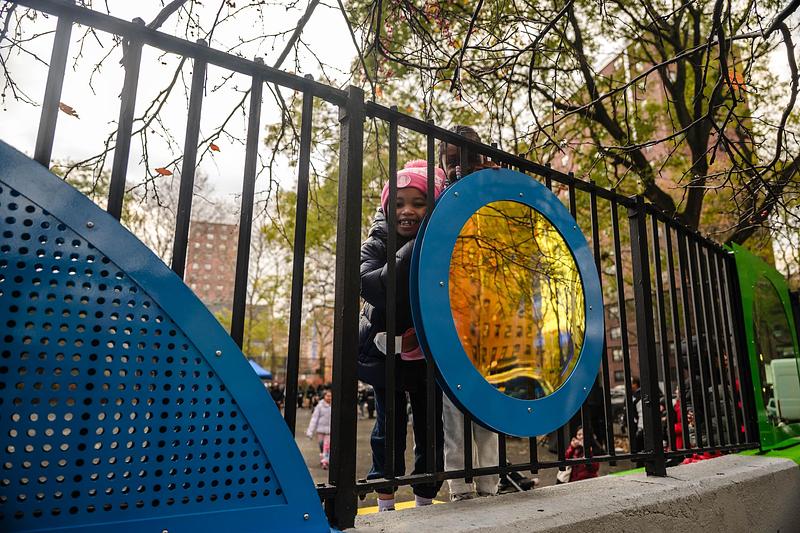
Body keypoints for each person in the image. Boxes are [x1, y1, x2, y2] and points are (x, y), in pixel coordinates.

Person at [358, 159, 446, 512]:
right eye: (398, 203)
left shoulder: (445, 242)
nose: (407, 211)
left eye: (418, 203)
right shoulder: (377, 241)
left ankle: (426, 495)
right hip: (385, 353)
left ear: (433, 206)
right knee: (387, 426)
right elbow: (372, 286)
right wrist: (416, 246)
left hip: (429, 352)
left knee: (430, 428)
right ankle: (385, 496)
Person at [438, 125, 502, 501]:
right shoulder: (443, 199)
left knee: (487, 409)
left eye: (467, 159)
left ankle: (489, 484)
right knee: (453, 413)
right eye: (449, 161)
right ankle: (459, 486)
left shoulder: (496, 193)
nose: (458, 168)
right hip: (454, 320)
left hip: (491, 318)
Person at [306, 389, 332, 469]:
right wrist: (310, 431)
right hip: (320, 430)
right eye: (327, 396)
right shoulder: (319, 406)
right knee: (321, 445)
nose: (329, 397)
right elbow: (314, 419)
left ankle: (325, 461)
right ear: (324, 396)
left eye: (330, 396)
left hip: (329, 430)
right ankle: (323, 456)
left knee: (327, 446)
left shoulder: (334, 406)